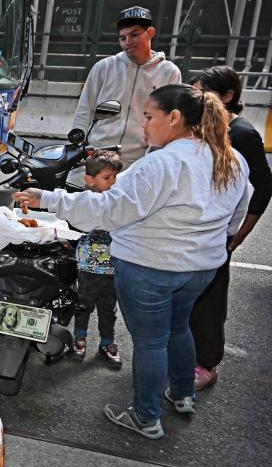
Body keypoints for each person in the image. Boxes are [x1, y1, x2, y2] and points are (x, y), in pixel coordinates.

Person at [15, 83, 250, 440]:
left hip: (149, 267)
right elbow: (237, 213)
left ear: (174, 118)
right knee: (179, 327)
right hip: (202, 268)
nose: (143, 125)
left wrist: (47, 198)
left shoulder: (162, 163)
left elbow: (107, 210)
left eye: (148, 116)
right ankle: (183, 394)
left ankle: (145, 417)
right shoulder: (230, 158)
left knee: (152, 342)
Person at [188, 66, 272, 389]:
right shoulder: (206, 127)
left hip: (218, 235)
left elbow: (264, 187)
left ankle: (207, 365)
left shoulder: (243, 135)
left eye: (202, 95)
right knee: (188, 300)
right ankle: (185, 357)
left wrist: (238, 237)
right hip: (194, 231)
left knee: (210, 302)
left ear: (227, 97)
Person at [70, 6, 181, 165]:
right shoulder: (104, 67)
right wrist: (76, 148)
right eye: (122, 38)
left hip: (140, 159)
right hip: (97, 154)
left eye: (134, 34)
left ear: (150, 33)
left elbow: (171, 119)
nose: (128, 42)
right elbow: (84, 109)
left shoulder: (169, 72)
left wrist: (158, 154)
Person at [71, 150, 123, 366]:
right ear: (90, 180)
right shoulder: (86, 201)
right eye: (107, 178)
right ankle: (79, 339)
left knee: (108, 309)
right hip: (87, 268)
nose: (113, 183)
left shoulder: (119, 200)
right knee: (83, 305)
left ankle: (106, 343)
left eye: (115, 177)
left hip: (112, 269)